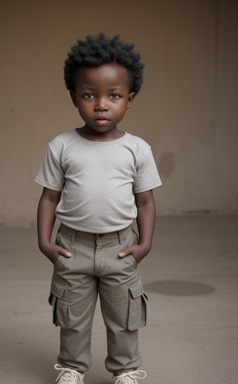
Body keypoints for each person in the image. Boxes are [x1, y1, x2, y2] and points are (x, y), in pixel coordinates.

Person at [35, 33, 162, 384]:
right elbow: (49, 197)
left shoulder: (137, 149)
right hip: (71, 246)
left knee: (124, 315)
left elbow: (146, 201)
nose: (101, 104)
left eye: (114, 95)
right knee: (71, 315)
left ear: (130, 99)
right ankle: (72, 368)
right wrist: (45, 243)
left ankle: (126, 370)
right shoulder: (62, 146)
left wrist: (145, 244)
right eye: (89, 94)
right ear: (74, 96)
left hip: (119, 248)